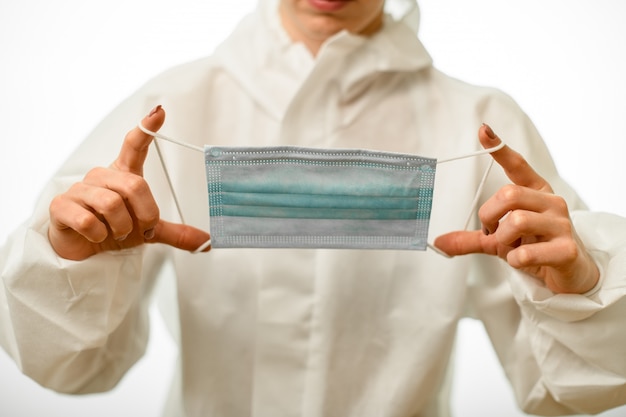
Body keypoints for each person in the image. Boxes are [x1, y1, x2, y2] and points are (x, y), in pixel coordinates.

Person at [1, 0, 625, 416]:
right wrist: (72, 258)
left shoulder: (481, 126)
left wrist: (579, 288)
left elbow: (563, 394)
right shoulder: (169, 107)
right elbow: (69, 368)